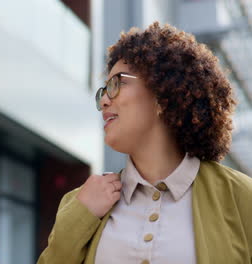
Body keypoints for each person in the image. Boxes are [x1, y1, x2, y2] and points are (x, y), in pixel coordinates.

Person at [38, 22, 252, 264]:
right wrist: (80, 216)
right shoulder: (79, 203)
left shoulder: (242, 197)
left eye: (116, 84)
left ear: (163, 92)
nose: (104, 101)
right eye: (103, 91)